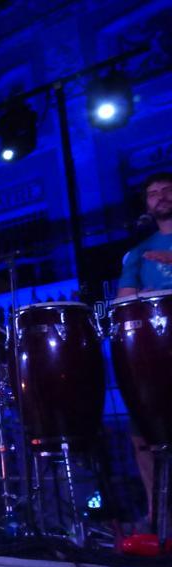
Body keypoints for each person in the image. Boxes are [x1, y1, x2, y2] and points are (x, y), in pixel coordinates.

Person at [116, 171, 172, 530]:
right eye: (153, 193)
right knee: (144, 433)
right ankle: (159, 515)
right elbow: (125, 300)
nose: (161, 197)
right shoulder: (137, 252)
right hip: (158, 352)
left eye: (168, 190)